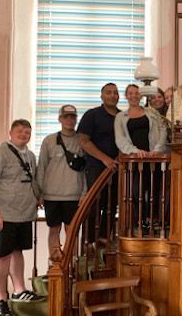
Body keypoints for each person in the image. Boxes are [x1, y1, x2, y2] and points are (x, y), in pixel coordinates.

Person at [0, 119, 44, 316]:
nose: (23, 135)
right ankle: (0, 298)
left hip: (23, 213)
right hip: (2, 215)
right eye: (19, 131)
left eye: (27, 132)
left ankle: (19, 291)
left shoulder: (30, 155)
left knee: (17, 251)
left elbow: (31, 180)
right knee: (2, 255)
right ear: (10, 132)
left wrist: (39, 196)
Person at [37, 105, 87, 269]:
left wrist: (84, 192)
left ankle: (70, 263)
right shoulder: (49, 140)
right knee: (54, 230)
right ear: (60, 119)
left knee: (71, 231)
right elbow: (41, 167)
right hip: (51, 194)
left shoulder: (82, 140)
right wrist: (40, 193)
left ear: (76, 119)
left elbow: (86, 169)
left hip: (74, 194)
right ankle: (54, 262)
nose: (69, 120)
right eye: (66, 117)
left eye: (72, 117)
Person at [115, 84, 168, 228]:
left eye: (137, 93)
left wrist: (157, 150)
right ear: (126, 96)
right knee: (136, 191)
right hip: (135, 161)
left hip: (153, 159)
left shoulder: (152, 113)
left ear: (141, 96)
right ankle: (140, 220)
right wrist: (134, 150)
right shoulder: (120, 117)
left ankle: (153, 220)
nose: (134, 96)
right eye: (130, 93)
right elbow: (120, 139)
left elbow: (163, 132)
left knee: (154, 191)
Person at [77, 83, 120, 244]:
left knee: (111, 205)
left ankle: (103, 238)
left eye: (115, 93)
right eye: (108, 92)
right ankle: (89, 241)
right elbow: (82, 140)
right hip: (96, 166)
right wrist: (105, 158)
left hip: (116, 168)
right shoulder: (92, 115)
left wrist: (117, 158)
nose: (112, 95)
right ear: (102, 96)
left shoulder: (122, 116)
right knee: (94, 206)